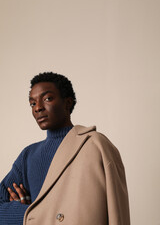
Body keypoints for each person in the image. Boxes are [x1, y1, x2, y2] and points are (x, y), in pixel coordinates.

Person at [0, 72, 130, 225]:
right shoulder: (28, 156)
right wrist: (28, 213)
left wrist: (38, 214)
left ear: (68, 102)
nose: (38, 108)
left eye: (47, 98)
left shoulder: (96, 145)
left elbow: (117, 212)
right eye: (32, 103)